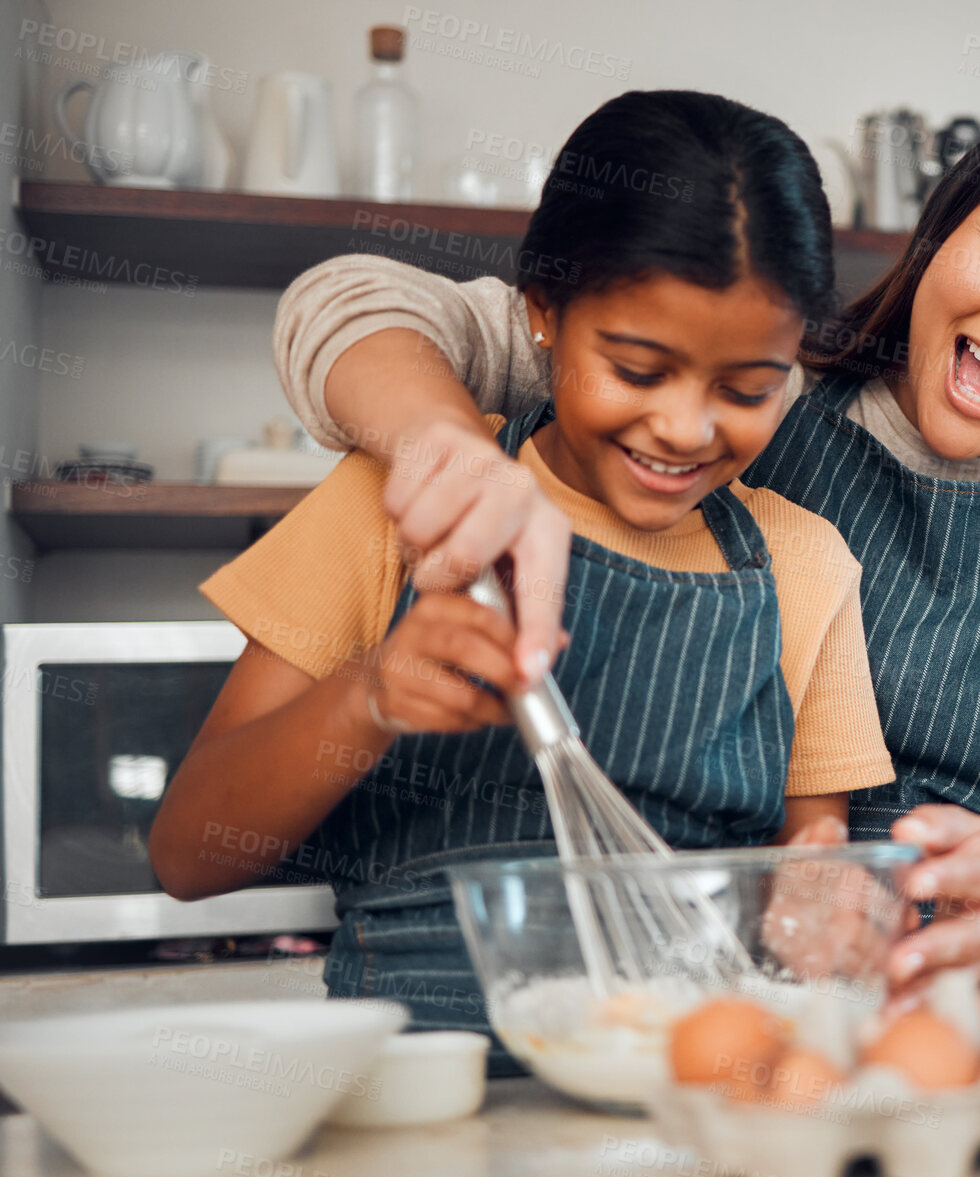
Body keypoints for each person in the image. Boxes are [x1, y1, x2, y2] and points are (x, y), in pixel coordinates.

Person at [269, 81, 980, 991]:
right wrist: (451, 453)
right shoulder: (746, 382)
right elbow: (349, 302)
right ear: (942, 229)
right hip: (742, 1007)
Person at [149, 91, 895, 1070]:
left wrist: (830, 909)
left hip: (679, 1097)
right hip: (421, 1092)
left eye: (747, 389)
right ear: (541, 313)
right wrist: (368, 697)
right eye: (636, 369)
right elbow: (190, 855)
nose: (684, 427)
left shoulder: (804, 564)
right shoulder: (402, 500)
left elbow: (814, 870)